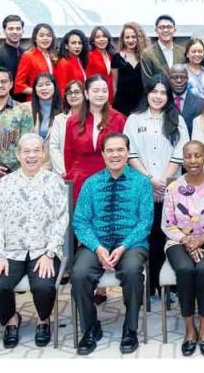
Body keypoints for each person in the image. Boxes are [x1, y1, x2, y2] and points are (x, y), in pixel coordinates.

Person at [71, 134, 153, 355]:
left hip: (131, 243)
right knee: (79, 274)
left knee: (132, 271)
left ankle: (130, 329)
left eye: (120, 150)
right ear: (103, 154)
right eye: (110, 150)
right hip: (96, 243)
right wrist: (97, 247)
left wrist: (124, 245)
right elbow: (80, 221)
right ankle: (90, 327)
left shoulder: (142, 183)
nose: (115, 154)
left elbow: (145, 222)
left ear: (127, 152)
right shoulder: (91, 183)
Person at [0, 134, 69, 348]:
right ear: (18, 155)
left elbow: (61, 220)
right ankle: (11, 319)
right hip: (11, 252)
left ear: (43, 154)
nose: (31, 155)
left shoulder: (54, 182)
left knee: (44, 286)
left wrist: (50, 253)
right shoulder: (5, 183)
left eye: (36, 150)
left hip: (43, 250)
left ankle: (43, 320)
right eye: (26, 151)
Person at [161, 141, 204, 357]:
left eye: (197, 155)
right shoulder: (173, 188)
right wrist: (188, 241)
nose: (193, 160)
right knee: (185, 270)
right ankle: (190, 329)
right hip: (178, 240)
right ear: (183, 159)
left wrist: (202, 239)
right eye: (188, 156)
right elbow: (167, 224)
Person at [124, 76, 189, 298]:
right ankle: (150, 286)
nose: (158, 96)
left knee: (169, 237)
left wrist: (164, 182)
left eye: (163, 92)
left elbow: (180, 153)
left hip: (170, 189)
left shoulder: (177, 119)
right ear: (147, 93)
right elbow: (130, 153)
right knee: (148, 236)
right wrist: (150, 180)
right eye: (154, 92)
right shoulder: (134, 120)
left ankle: (169, 287)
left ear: (169, 96)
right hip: (143, 187)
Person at [63, 75, 127, 199]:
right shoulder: (72, 121)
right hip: (80, 181)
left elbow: (124, 154)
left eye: (104, 91)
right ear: (86, 94)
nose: (100, 94)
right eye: (96, 91)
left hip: (110, 179)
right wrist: (72, 175)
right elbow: (68, 155)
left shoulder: (118, 119)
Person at [48, 80, 87, 175]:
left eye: (77, 92)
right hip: (63, 172)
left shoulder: (91, 117)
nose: (73, 96)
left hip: (86, 170)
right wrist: (63, 171)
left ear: (85, 94)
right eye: (69, 93)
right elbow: (54, 147)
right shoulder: (59, 119)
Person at [111, 22, 148, 115]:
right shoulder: (117, 58)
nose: (130, 40)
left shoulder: (146, 57)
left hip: (141, 105)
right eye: (127, 37)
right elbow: (114, 85)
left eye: (133, 37)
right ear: (123, 39)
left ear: (139, 38)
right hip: (121, 106)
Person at [14, 23, 57, 101]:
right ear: (35, 39)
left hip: (53, 101)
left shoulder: (53, 56)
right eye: (41, 35)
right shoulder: (28, 56)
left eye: (49, 35)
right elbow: (19, 85)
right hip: (35, 101)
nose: (45, 38)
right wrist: (40, 91)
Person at [141, 15, 186, 86]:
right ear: (156, 31)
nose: (165, 30)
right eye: (161, 27)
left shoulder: (183, 52)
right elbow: (147, 81)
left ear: (174, 30)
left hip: (180, 92)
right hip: (158, 92)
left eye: (169, 27)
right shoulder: (147, 53)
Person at [0, 15, 26, 84]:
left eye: (18, 29)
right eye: (11, 29)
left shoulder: (26, 53)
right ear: (4, 31)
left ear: (22, 31)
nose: (15, 32)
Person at [169, 64, 204, 134]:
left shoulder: (200, 104)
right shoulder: (163, 102)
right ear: (169, 79)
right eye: (175, 77)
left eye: (183, 77)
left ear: (187, 79)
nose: (179, 80)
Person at [30, 73, 65, 141]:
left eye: (48, 84)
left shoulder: (64, 109)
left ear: (55, 87)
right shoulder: (26, 109)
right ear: (35, 89)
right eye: (40, 85)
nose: (44, 88)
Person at [87, 26, 116, 99]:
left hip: (111, 95)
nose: (101, 39)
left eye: (104, 36)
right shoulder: (89, 56)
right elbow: (87, 79)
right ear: (93, 41)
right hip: (97, 96)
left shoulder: (111, 55)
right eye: (98, 37)